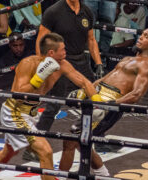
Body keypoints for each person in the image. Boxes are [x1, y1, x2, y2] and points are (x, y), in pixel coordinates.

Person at [0, 33, 103, 180]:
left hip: (30, 114)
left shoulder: (63, 65)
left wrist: (98, 101)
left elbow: (84, 82)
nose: (65, 52)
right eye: (63, 50)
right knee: (45, 151)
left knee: (9, 151)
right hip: (15, 111)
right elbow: (18, 92)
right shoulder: (28, 63)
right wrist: (38, 79)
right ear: (51, 52)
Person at [58, 28, 148, 177]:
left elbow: (136, 94)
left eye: (146, 36)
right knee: (82, 142)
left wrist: (110, 104)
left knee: (70, 141)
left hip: (110, 102)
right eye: (142, 34)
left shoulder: (147, 65)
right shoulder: (128, 59)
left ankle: (58, 177)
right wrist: (86, 91)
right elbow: (104, 79)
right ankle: (103, 174)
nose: (141, 37)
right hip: (98, 96)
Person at [34, 0, 104, 137]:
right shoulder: (54, 11)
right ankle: (37, 141)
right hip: (60, 63)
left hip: (81, 60)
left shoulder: (87, 11)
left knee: (94, 98)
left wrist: (99, 63)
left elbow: (91, 39)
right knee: (54, 104)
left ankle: (94, 135)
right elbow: (40, 39)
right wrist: (43, 64)